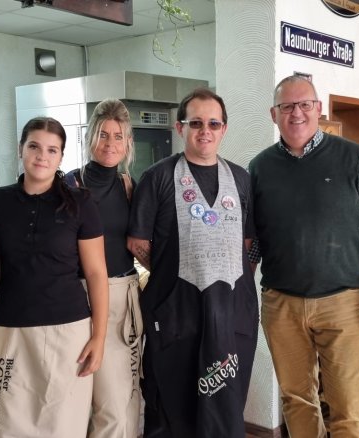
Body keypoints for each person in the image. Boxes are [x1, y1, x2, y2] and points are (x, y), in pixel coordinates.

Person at [247, 75, 359, 437]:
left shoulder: (354, 157)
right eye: (287, 106)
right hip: (281, 304)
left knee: (347, 403)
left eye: (304, 105)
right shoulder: (258, 168)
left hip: (343, 303)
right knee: (296, 398)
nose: (296, 113)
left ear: (318, 109)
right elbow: (254, 241)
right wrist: (236, 293)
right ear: (274, 114)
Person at [127, 88, 258, 438]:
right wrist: (171, 270)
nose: (205, 130)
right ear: (179, 128)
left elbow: (246, 242)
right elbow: (138, 243)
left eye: (213, 123)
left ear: (224, 129)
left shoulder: (241, 179)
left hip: (230, 312)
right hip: (176, 313)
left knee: (224, 405)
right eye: (195, 122)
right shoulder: (157, 177)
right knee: (175, 407)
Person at [0, 117, 109, 438]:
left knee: (63, 425)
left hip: (68, 332)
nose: (43, 156)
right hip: (9, 330)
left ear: (61, 157)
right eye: (35, 146)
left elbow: (96, 273)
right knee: (6, 424)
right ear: (21, 149)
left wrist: (99, 337)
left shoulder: (81, 203)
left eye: (52, 150)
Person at [64, 99, 143, 438]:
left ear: (128, 144)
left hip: (123, 297)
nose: (111, 144)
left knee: (122, 402)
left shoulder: (129, 186)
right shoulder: (68, 185)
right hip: (77, 299)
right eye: (103, 135)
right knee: (77, 402)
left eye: (119, 136)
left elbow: (141, 245)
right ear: (89, 137)